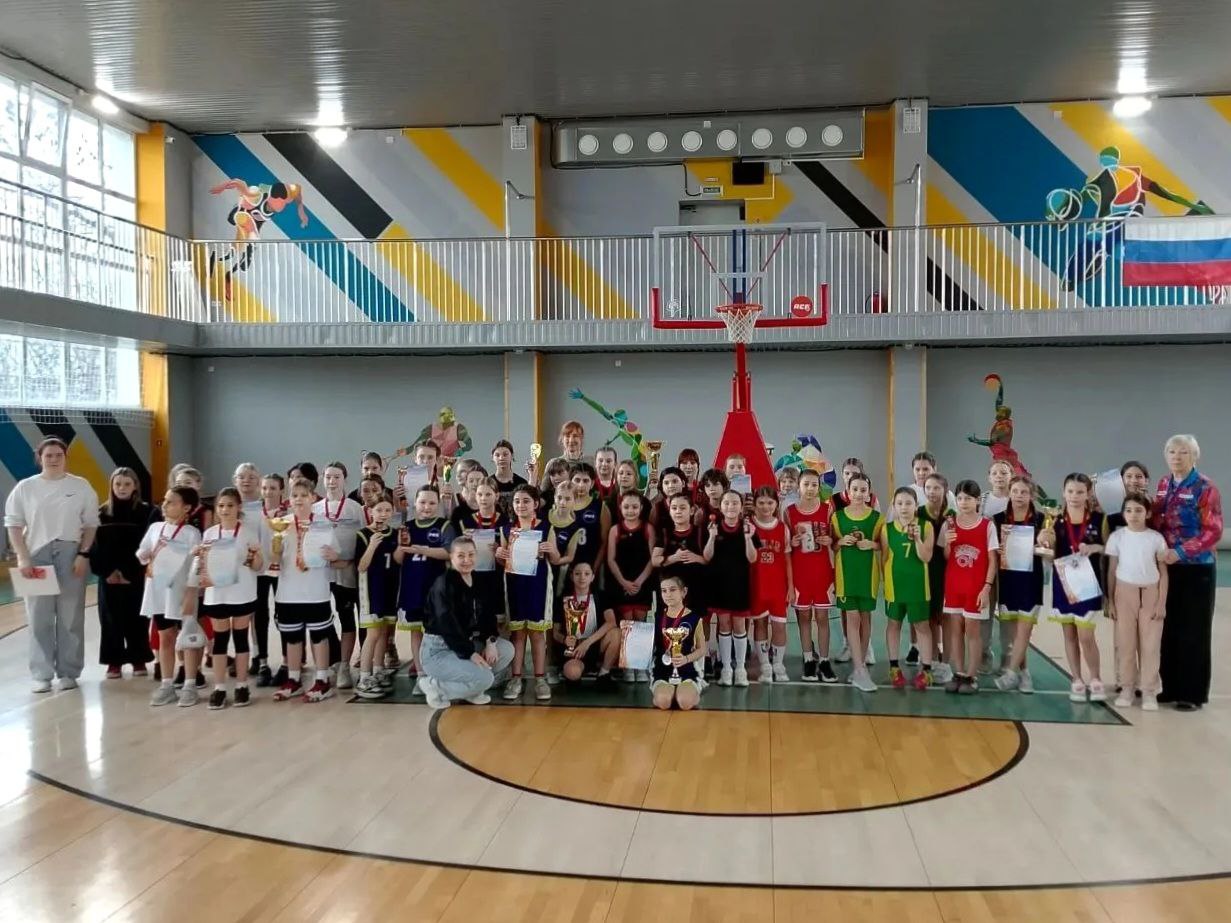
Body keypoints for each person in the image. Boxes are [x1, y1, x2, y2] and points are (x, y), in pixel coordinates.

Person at [5, 437, 100, 693]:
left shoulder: (81, 486)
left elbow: (91, 524)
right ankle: (42, 674)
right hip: (37, 555)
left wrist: (83, 554)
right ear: (40, 458)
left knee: (70, 616)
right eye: (49, 455)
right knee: (39, 617)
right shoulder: (25, 488)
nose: (54, 459)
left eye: (59, 454)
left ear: (65, 457)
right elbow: (13, 524)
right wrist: (23, 557)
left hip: (71, 554)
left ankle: (69, 672)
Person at [1151, 435, 1222, 711]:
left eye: (1183, 452)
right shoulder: (1163, 484)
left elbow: (1213, 530)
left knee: (1194, 630)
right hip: (1168, 567)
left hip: (1197, 568)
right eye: (1172, 451)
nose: (1176, 457)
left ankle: (1192, 694)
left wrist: (1180, 552)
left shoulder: (1205, 487)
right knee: (1169, 628)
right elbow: (1156, 518)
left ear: (1195, 456)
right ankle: (1170, 688)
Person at [419, 536, 515, 709]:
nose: (467, 560)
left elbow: (487, 615)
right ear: (451, 557)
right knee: (486, 678)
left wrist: (490, 641)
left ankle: (472, 689)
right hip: (439, 651)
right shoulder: (443, 584)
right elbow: (448, 625)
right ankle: (435, 686)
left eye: (471, 555)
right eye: (461, 556)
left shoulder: (479, 581)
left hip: (467, 643)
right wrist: (470, 654)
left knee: (506, 650)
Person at [190, 487, 263, 710]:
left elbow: (258, 566)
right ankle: (219, 688)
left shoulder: (247, 533)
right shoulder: (210, 534)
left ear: (238, 507)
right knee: (220, 641)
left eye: (230, 505)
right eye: (221, 506)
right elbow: (201, 567)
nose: (225, 510)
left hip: (242, 592)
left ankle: (242, 685)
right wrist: (198, 558)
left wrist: (253, 556)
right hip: (217, 594)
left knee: (240, 638)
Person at [271, 477, 342, 703]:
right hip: (288, 591)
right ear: (289, 499)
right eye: (294, 496)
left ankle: (322, 680)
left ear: (313, 498)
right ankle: (293, 679)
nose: (299, 499)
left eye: (304, 495)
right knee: (292, 637)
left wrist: (333, 556)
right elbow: (274, 560)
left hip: (315, 590)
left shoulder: (323, 523)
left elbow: (336, 555)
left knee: (319, 635)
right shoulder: (281, 524)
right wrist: (275, 548)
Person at [1044, 473, 1108, 703]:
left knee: (1086, 635)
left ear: (1088, 493)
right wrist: (1044, 543)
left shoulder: (1099, 518)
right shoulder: (1055, 519)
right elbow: (1049, 555)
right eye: (1070, 491)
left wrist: (1095, 548)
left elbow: (1110, 547)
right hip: (1064, 583)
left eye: (1080, 492)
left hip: (1088, 584)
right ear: (1063, 492)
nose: (1074, 496)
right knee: (1069, 634)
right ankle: (1077, 680)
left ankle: (1096, 679)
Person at [139, 486, 203, 706]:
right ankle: (167, 684)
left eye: (171, 502)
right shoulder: (155, 528)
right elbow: (143, 552)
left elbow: (197, 564)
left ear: (186, 508)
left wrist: (191, 592)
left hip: (182, 592)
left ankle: (190, 684)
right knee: (165, 635)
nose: (164, 505)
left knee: (188, 637)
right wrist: (147, 555)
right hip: (159, 591)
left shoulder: (192, 533)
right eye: (164, 501)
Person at [1106, 493, 1169, 711]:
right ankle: (1127, 688)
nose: (1133, 515)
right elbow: (1112, 571)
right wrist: (1111, 601)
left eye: (1139, 510)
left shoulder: (1156, 539)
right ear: (1123, 514)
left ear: (1148, 513)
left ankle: (1149, 690)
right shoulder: (1117, 538)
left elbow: (1163, 572)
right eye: (1129, 510)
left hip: (1151, 593)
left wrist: (1161, 602)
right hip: (1124, 594)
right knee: (1125, 643)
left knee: (1150, 645)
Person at [498, 484, 560, 701]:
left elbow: (556, 560)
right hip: (515, 584)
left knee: (537, 633)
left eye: (526, 501)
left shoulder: (546, 527)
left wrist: (552, 550)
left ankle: (540, 679)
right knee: (517, 633)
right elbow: (503, 561)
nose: (521, 505)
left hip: (538, 585)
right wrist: (500, 553)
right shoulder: (507, 530)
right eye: (517, 501)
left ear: (535, 504)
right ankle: (516, 678)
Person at [90, 468, 153, 678]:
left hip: (135, 575)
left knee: (137, 618)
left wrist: (130, 572)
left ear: (135, 486)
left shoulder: (147, 512)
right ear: (111, 485)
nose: (122, 488)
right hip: (108, 578)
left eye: (127, 484)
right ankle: (113, 661)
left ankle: (138, 658)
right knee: (110, 619)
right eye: (118, 484)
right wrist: (107, 571)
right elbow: (94, 547)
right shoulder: (101, 513)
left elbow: (148, 545)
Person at [941, 480, 999, 695]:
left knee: (972, 631)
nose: (963, 502)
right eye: (960, 498)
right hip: (954, 585)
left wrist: (987, 588)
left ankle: (972, 675)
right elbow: (947, 556)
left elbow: (992, 560)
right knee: (956, 630)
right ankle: (959, 672)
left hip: (976, 586)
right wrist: (948, 543)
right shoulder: (949, 524)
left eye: (968, 498)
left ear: (977, 501)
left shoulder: (987, 525)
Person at [395, 485, 454, 693]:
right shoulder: (407, 527)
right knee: (415, 633)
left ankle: (436, 674)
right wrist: (402, 546)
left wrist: (423, 550)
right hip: (412, 588)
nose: (427, 507)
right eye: (422, 502)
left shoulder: (444, 525)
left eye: (431, 503)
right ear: (415, 503)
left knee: (436, 633)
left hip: (436, 590)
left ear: (438, 504)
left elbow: (449, 552)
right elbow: (398, 559)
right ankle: (421, 675)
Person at [993, 476, 1047, 694]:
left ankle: (1011, 673)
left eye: (1024, 492)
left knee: (1025, 631)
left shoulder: (1042, 519)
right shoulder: (998, 519)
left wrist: (1041, 546)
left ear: (1031, 495)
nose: (1019, 496)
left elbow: (1049, 551)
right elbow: (991, 550)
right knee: (1015, 633)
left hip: (1031, 582)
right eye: (1015, 491)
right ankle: (1024, 673)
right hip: (1008, 581)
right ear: (1009, 493)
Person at [314, 462, 365, 689]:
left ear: (345, 479)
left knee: (348, 619)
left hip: (348, 574)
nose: (332, 481)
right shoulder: (315, 509)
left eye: (337, 477)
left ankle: (346, 665)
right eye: (328, 477)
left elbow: (364, 540)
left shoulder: (355, 509)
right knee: (323, 619)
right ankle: (331, 662)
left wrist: (346, 561)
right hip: (322, 576)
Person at [784, 469, 836, 683]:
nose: (810, 488)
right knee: (803, 618)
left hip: (823, 573)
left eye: (814, 484)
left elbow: (835, 539)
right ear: (798, 486)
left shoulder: (827, 509)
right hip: (800, 574)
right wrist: (792, 542)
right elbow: (786, 545)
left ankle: (824, 660)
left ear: (819, 487)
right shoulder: (789, 512)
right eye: (806, 484)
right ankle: (808, 659)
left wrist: (830, 540)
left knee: (822, 618)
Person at [881, 487, 935, 690]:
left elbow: (926, 557)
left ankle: (927, 670)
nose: (904, 507)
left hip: (918, 586)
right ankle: (894, 667)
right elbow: (884, 558)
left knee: (922, 626)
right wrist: (885, 583)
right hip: (894, 586)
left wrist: (918, 539)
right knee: (893, 624)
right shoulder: (887, 529)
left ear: (916, 505)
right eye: (900, 503)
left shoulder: (926, 526)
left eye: (908, 503)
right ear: (894, 506)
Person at [831, 473, 880, 692]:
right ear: (848, 492)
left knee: (865, 617)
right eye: (855, 489)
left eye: (863, 490)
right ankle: (859, 668)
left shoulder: (877, 518)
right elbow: (832, 545)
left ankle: (861, 664)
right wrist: (840, 541)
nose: (859, 494)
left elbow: (883, 544)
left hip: (868, 575)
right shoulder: (837, 517)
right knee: (852, 617)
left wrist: (872, 545)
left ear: (868, 493)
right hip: (846, 575)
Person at [652, 493, 708, 675]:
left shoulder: (700, 532)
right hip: (670, 592)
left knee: (697, 626)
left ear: (691, 511)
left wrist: (697, 558)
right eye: (674, 508)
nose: (678, 511)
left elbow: (711, 559)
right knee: (668, 627)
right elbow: (655, 560)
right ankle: (667, 665)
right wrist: (673, 558)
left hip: (696, 588)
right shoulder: (665, 533)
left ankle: (699, 669)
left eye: (682, 508)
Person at [706, 489, 758, 687]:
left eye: (735, 503)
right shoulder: (714, 527)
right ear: (720, 507)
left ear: (741, 507)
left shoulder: (748, 528)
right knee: (724, 625)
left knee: (739, 625)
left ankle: (740, 669)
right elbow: (707, 556)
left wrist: (748, 538)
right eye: (726, 503)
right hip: (719, 585)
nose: (730, 506)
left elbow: (752, 558)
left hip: (740, 585)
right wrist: (711, 537)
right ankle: (726, 668)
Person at [354, 497, 401, 699]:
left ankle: (378, 669)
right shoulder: (363, 535)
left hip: (390, 589)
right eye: (379, 510)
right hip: (371, 590)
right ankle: (364, 677)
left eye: (387, 510)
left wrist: (403, 546)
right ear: (370, 511)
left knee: (383, 632)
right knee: (372, 633)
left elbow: (398, 560)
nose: (383, 514)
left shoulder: (395, 534)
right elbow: (361, 566)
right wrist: (372, 545)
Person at [749, 486, 792, 683]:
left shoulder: (783, 528)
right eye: (761, 503)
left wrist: (790, 587)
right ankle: (765, 664)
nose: (765, 507)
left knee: (779, 627)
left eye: (770, 503)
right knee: (760, 624)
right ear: (754, 504)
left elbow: (787, 560)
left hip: (778, 586)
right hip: (757, 585)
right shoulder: (749, 526)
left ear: (776, 504)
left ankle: (778, 664)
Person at [553, 561, 619, 686]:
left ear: (592, 577)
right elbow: (555, 632)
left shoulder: (601, 596)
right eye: (578, 574)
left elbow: (611, 622)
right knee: (572, 673)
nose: (582, 577)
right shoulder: (562, 599)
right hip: (574, 648)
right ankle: (576, 670)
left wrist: (587, 643)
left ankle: (604, 673)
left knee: (616, 633)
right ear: (571, 576)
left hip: (594, 643)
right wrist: (564, 639)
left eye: (587, 574)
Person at [607, 490, 657, 645]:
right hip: (622, 583)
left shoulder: (648, 528)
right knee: (627, 624)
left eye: (634, 507)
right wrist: (623, 582)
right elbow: (610, 559)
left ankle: (641, 658)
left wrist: (640, 581)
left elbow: (653, 559)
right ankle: (626, 658)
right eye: (626, 507)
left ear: (641, 508)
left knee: (641, 622)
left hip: (642, 582)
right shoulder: (615, 530)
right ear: (620, 507)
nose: (630, 511)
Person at [919, 473, 955, 683]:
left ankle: (946, 663)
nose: (932, 492)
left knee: (946, 617)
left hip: (948, 571)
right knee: (931, 617)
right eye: (928, 488)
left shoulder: (952, 516)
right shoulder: (918, 513)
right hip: (925, 571)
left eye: (936, 488)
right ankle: (931, 657)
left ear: (945, 490)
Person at [651, 576, 705, 711]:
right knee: (663, 702)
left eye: (672, 590)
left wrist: (686, 659)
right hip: (662, 670)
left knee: (685, 703)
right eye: (664, 591)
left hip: (687, 670)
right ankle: (666, 694)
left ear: (683, 592)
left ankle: (691, 692)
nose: (668, 594)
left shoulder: (694, 618)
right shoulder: (656, 617)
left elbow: (702, 649)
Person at [255, 473, 287, 687]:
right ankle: (262, 663)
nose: (268, 492)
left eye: (273, 488)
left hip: (281, 570)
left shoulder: (288, 514)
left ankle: (286, 663)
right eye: (265, 488)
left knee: (283, 615)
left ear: (281, 490)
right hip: (259, 571)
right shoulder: (255, 514)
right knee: (260, 616)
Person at [536, 421, 589, 491]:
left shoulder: (591, 462)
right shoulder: (553, 463)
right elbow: (543, 492)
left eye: (575, 436)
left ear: (581, 439)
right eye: (567, 436)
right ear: (562, 439)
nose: (571, 440)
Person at [490, 439, 527, 508]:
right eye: (497, 455)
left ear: (512, 456)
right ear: (492, 458)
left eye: (505, 454)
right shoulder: (488, 483)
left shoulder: (521, 483)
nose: (501, 458)